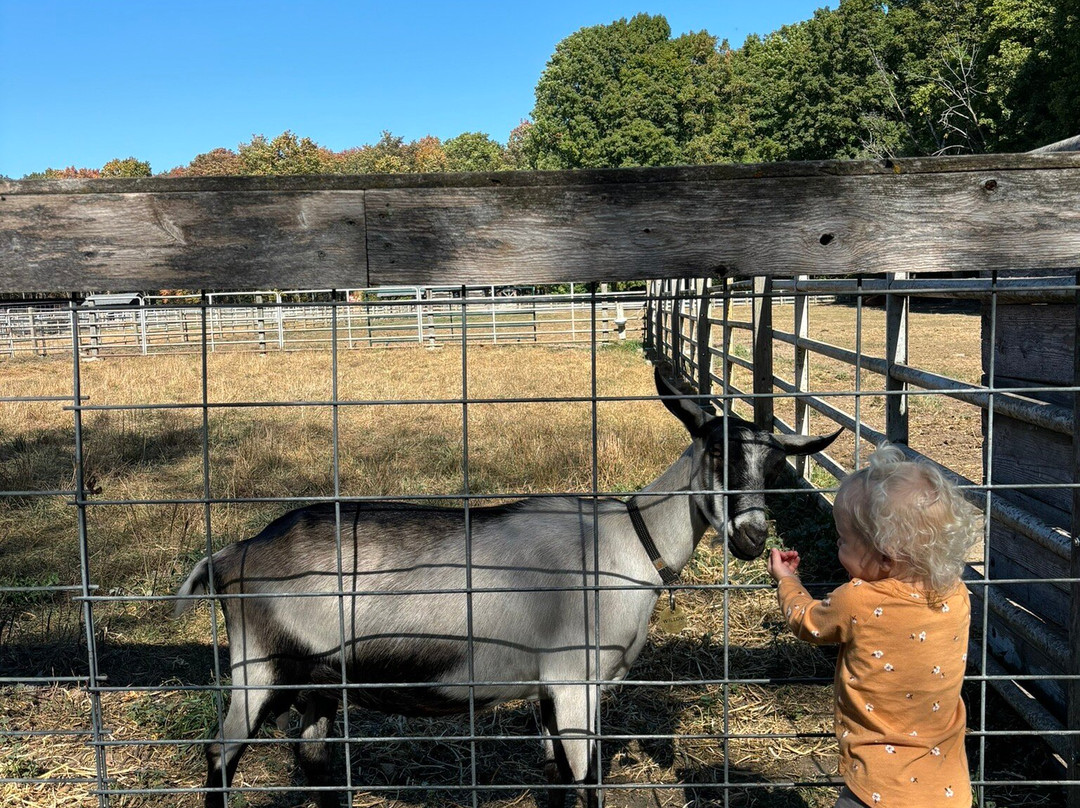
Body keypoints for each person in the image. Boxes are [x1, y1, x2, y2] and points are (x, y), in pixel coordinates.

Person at [767, 444, 980, 807]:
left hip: (876, 788)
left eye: (843, 539)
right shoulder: (958, 595)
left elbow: (806, 622)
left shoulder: (859, 600)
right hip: (948, 788)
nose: (838, 545)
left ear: (883, 556)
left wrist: (788, 581)